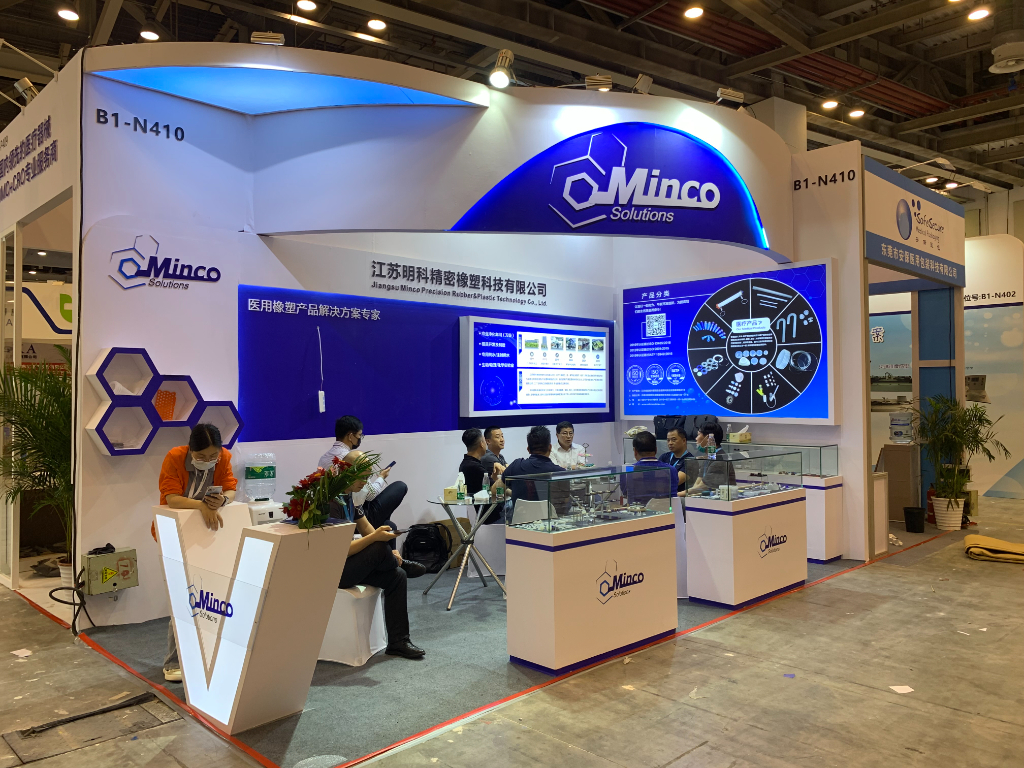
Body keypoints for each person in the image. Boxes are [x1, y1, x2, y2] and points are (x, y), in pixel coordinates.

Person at [155, 423, 238, 683]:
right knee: (183, 595)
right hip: (175, 532)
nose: (208, 460)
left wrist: (223, 500)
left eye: (213, 455)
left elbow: (230, 488)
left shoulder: (224, 457)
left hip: (209, 533)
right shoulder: (175, 457)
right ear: (191, 450)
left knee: (211, 595)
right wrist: (202, 506)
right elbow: (171, 498)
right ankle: (174, 661)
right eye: (201, 456)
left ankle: (210, 656)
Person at [331, 451, 425, 659]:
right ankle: (399, 562)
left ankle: (398, 642)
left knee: (397, 576)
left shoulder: (348, 497)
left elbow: (367, 529)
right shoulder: (331, 501)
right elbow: (341, 550)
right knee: (379, 548)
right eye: (362, 477)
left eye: (368, 477)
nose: (365, 483)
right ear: (347, 472)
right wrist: (378, 541)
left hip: (346, 564)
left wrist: (385, 544)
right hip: (332, 571)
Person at [319, 415, 406, 550]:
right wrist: (381, 477)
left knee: (388, 525)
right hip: (352, 514)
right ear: (350, 436)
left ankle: (393, 555)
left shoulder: (323, 458)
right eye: (360, 435)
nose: (364, 482)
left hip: (354, 512)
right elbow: (371, 494)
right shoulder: (352, 459)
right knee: (400, 487)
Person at [503, 425, 564, 511]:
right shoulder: (560, 473)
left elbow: (496, 489)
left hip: (520, 518)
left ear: (528, 449)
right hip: (550, 519)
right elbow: (564, 501)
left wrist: (512, 493)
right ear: (550, 447)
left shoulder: (515, 466)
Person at [627, 430, 678, 505]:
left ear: (635, 451)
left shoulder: (629, 471)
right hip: (666, 511)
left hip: (638, 511)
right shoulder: (671, 470)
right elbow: (673, 498)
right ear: (656, 450)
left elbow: (628, 496)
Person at [683, 422, 733, 496]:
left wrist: (677, 494)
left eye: (698, 435)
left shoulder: (719, 459)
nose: (696, 438)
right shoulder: (708, 458)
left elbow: (702, 487)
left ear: (708, 438)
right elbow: (697, 484)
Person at [659, 426, 693, 497]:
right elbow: (655, 476)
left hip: (680, 498)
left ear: (684, 441)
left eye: (673, 440)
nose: (670, 443)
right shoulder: (664, 457)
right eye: (668, 440)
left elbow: (675, 481)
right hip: (662, 495)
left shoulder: (690, 460)